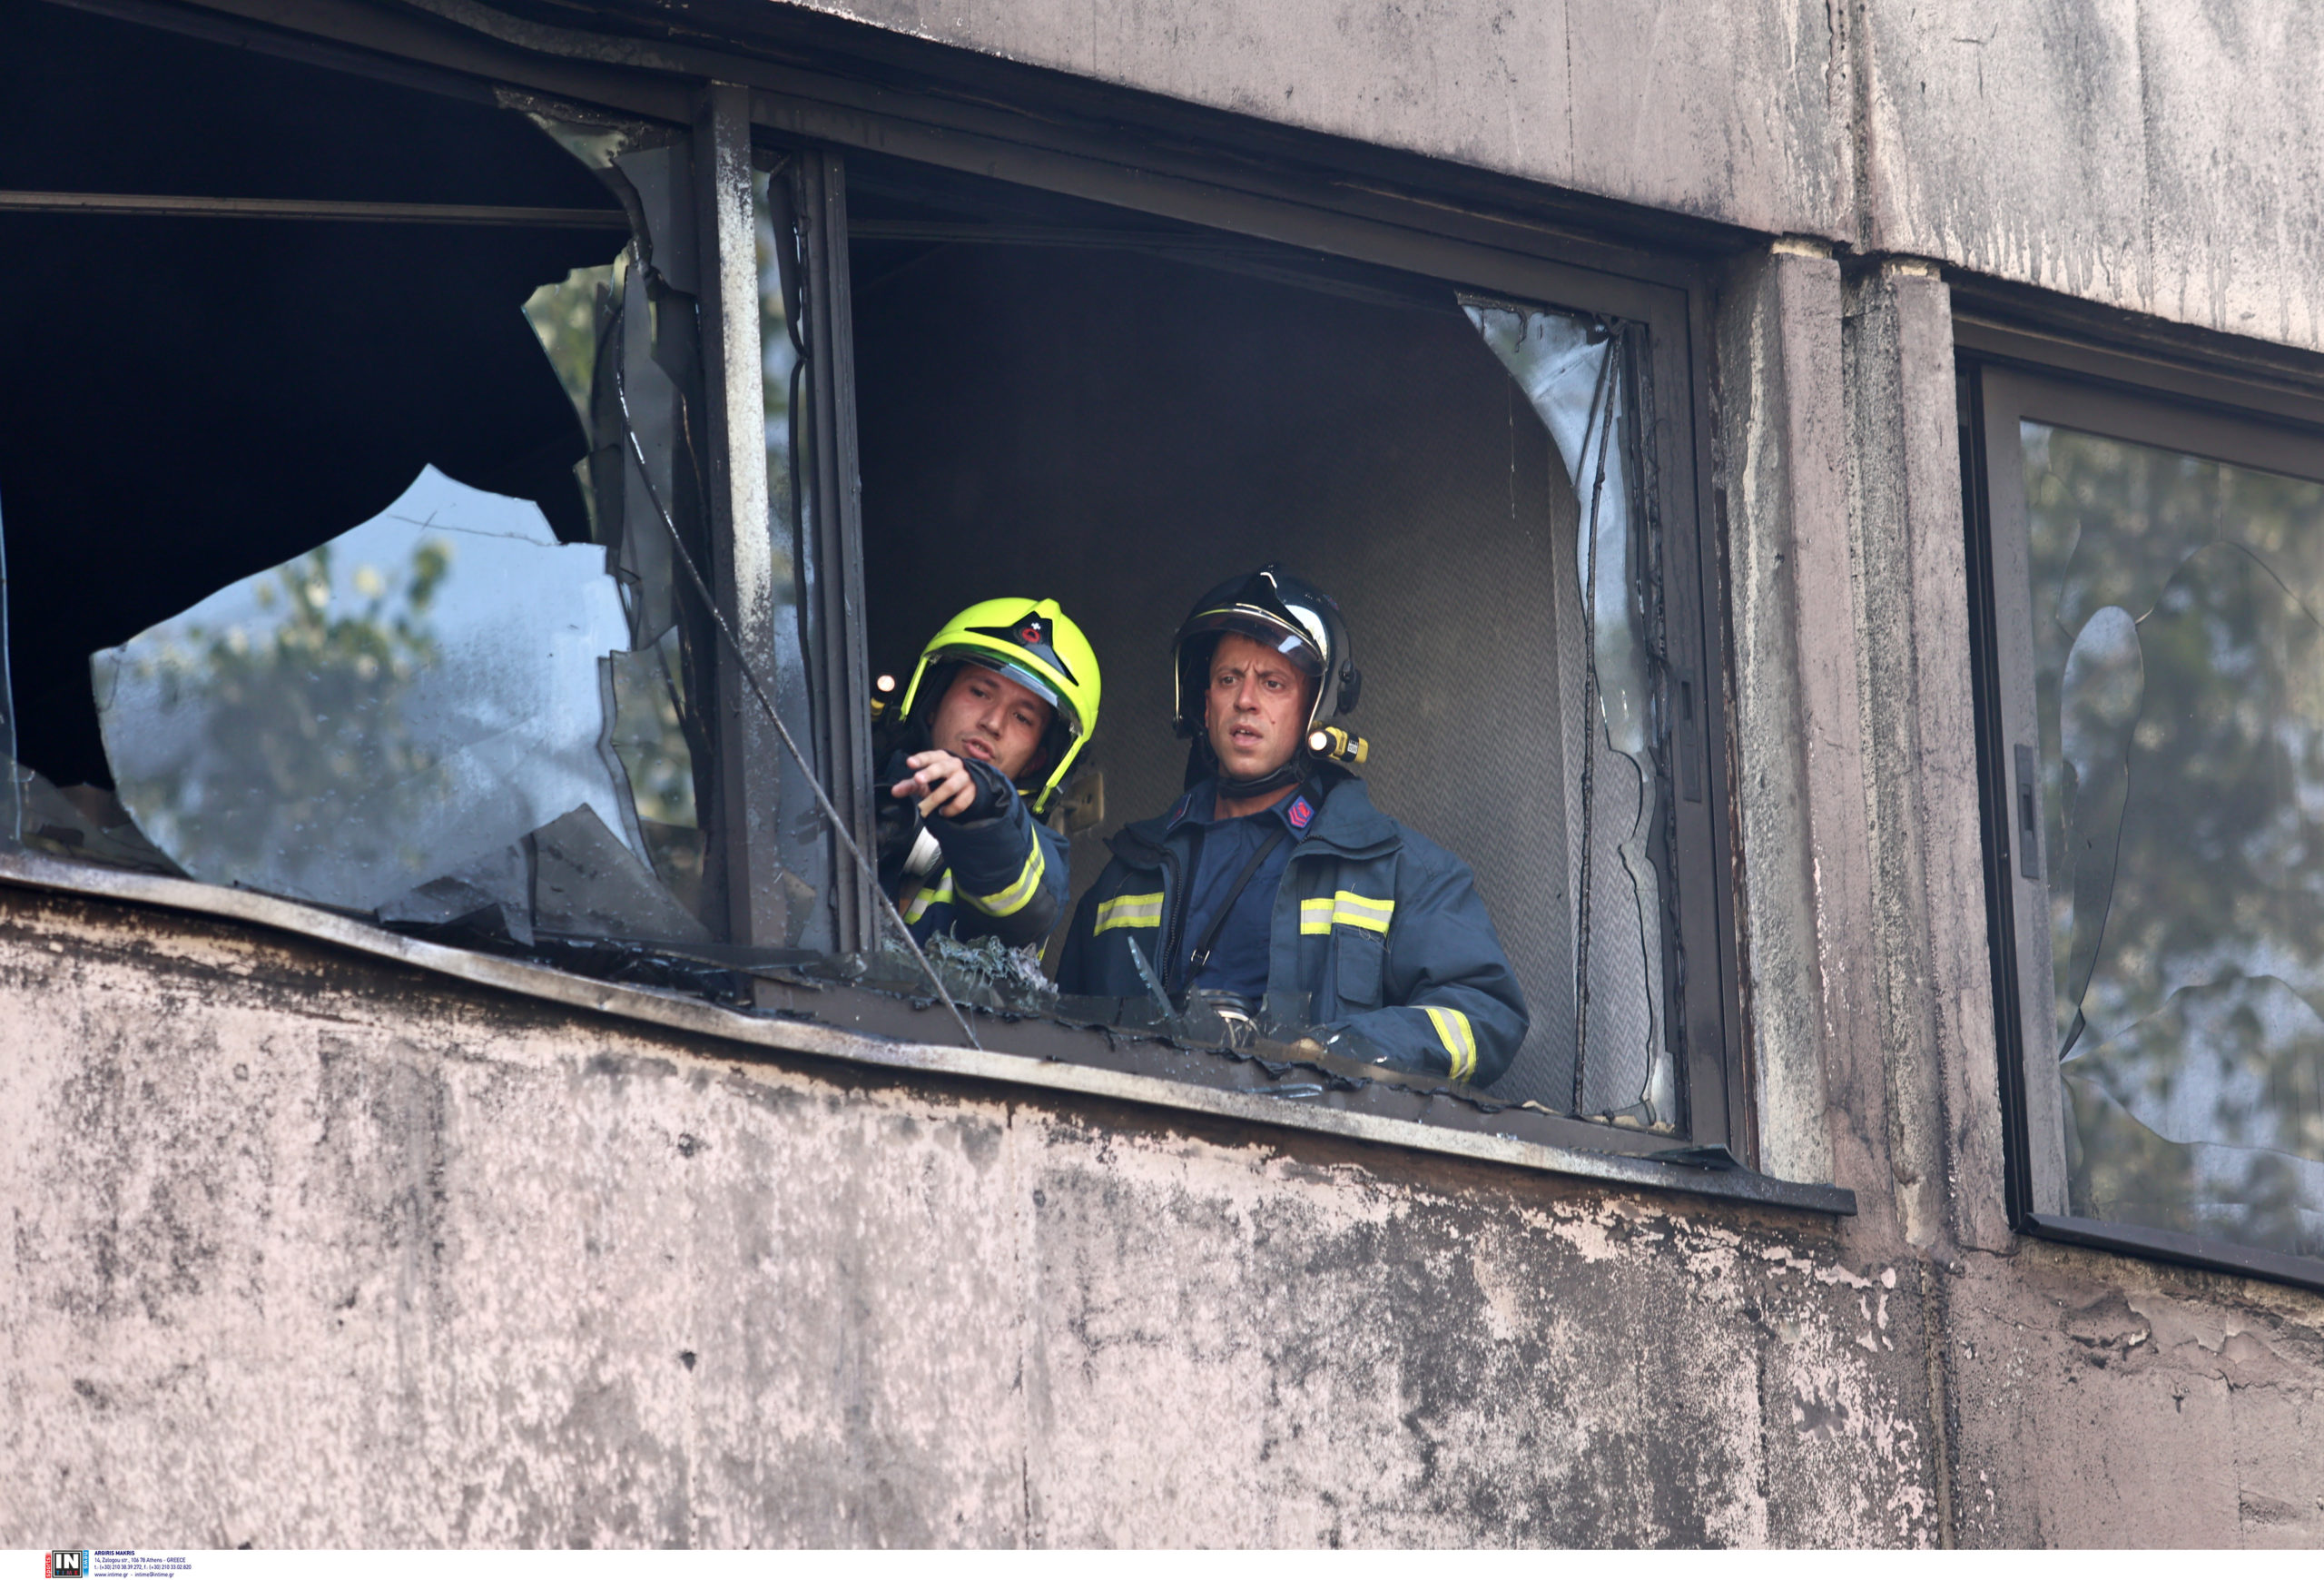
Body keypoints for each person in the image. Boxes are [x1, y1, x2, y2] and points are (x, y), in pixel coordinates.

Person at [1056, 565, 1526, 1086]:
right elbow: (1056, 1035)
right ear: (1202, 704)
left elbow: (1485, 1014)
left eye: (1273, 683)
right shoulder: (1126, 877)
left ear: (1315, 709)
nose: (1246, 701)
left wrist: (1345, 1051)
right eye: (1227, 678)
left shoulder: (1400, 873)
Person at [874, 597, 1100, 951]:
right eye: (979, 692)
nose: (993, 723)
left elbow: (1025, 905)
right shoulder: (844, 782)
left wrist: (982, 805)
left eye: (1022, 717)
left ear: (1037, 761)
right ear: (933, 702)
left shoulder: (1040, 856)